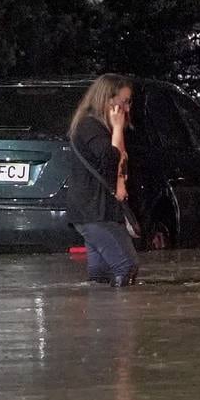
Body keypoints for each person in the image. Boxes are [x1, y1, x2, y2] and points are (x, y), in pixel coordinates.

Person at [67, 74, 139, 288]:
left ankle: (102, 318)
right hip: (94, 211)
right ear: (108, 100)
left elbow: (120, 162)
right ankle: (121, 318)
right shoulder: (89, 126)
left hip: (98, 211)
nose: (127, 108)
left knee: (101, 275)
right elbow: (110, 160)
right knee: (126, 266)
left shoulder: (100, 127)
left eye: (129, 102)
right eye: (124, 101)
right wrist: (117, 128)